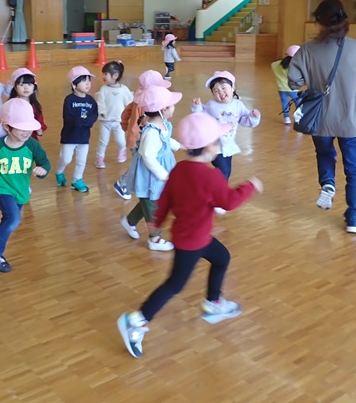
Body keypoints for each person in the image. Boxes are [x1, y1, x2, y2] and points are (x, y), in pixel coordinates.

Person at [117, 113, 263, 358]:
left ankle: (213, 303)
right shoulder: (210, 176)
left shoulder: (179, 169)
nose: (219, 145)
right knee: (175, 284)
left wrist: (156, 222)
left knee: (222, 258)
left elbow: (165, 199)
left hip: (194, 236)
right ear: (208, 146)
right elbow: (228, 202)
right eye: (216, 141)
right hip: (193, 242)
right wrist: (250, 186)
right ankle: (137, 320)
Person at [288, 0, 356, 234]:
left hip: (320, 119)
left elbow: (294, 81)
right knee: (354, 169)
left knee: (324, 153)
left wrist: (312, 79)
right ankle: (354, 219)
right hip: (350, 119)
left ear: (319, 22)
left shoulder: (307, 49)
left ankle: (328, 183)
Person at [0, 99, 51, 273]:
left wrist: (43, 170)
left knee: (9, 219)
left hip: (21, 190)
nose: (26, 132)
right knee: (14, 219)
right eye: (21, 128)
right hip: (2, 188)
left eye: (29, 128)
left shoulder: (33, 145)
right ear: (7, 127)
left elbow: (45, 163)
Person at [120, 85, 182, 251]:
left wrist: (180, 146)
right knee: (153, 205)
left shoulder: (164, 125)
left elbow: (166, 141)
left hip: (159, 171)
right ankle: (155, 239)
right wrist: (163, 175)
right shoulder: (151, 133)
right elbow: (147, 156)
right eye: (171, 104)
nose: (174, 107)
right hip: (150, 175)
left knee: (148, 200)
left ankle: (130, 221)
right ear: (163, 109)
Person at [190, 70, 261, 181]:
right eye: (216, 90)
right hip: (214, 146)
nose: (220, 92)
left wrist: (253, 117)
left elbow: (244, 120)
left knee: (225, 170)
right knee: (224, 173)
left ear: (233, 88)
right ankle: (218, 188)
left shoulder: (238, 105)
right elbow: (201, 116)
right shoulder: (212, 105)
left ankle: (212, 182)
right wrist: (197, 107)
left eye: (223, 88)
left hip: (228, 145)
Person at [113, 70, 171, 201]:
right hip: (139, 139)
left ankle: (127, 183)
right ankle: (123, 183)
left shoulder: (137, 100)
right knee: (139, 164)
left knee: (139, 163)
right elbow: (146, 121)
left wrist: (124, 125)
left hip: (135, 138)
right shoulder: (148, 105)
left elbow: (125, 113)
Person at [55, 66, 98, 193]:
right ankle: (59, 171)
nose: (87, 84)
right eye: (84, 81)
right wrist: (78, 121)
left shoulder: (91, 100)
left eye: (89, 81)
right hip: (70, 136)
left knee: (81, 161)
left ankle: (77, 180)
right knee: (66, 159)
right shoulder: (69, 100)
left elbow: (94, 114)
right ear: (74, 85)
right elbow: (67, 116)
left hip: (84, 136)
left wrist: (89, 121)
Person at [94, 60, 133, 169]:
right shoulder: (103, 89)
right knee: (103, 142)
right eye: (103, 74)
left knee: (121, 141)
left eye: (105, 74)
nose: (103, 76)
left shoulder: (124, 90)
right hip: (105, 122)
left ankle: (122, 150)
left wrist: (130, 113)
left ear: (115, 75)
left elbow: (130, 102)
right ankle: (99, 159)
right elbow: (100, 102)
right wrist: (101, 112)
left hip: (118, 122)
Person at [4, 68, 47, 140]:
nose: (26, 87)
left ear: (34, 87)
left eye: (29, 84)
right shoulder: (11, 105)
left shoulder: (35, 105)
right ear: (15, 87)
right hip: (15, 138)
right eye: (21, 85)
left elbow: (39, 119)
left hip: (30, 138)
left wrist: (39, 129)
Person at [271, 45, 302, 124]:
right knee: (299, 103)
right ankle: (298, 118)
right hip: (293, 89)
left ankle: (287, 118)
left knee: (285, 103)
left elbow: (273, 64)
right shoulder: (296, 67)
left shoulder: (276, 64)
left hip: (281, 89)